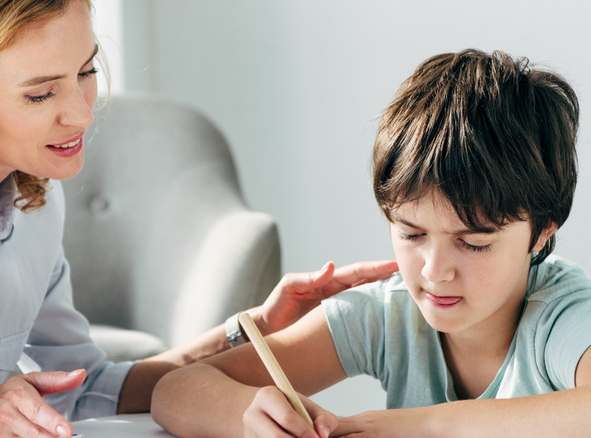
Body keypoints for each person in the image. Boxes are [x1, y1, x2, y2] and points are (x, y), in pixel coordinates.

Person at [0, 0, 400, 436]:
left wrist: (248, 334)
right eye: (41, 95)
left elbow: (84, 387)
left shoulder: (35, 198)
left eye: (86, 72)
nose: (80, 113)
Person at [151, 48, 591, 437]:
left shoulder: (563, 316)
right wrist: (248, 416)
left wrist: (428, 425)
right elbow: (174, 390)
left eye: (473, 243)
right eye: (411, 234)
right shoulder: (389, 313)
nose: (434, 271)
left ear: (543, 230)